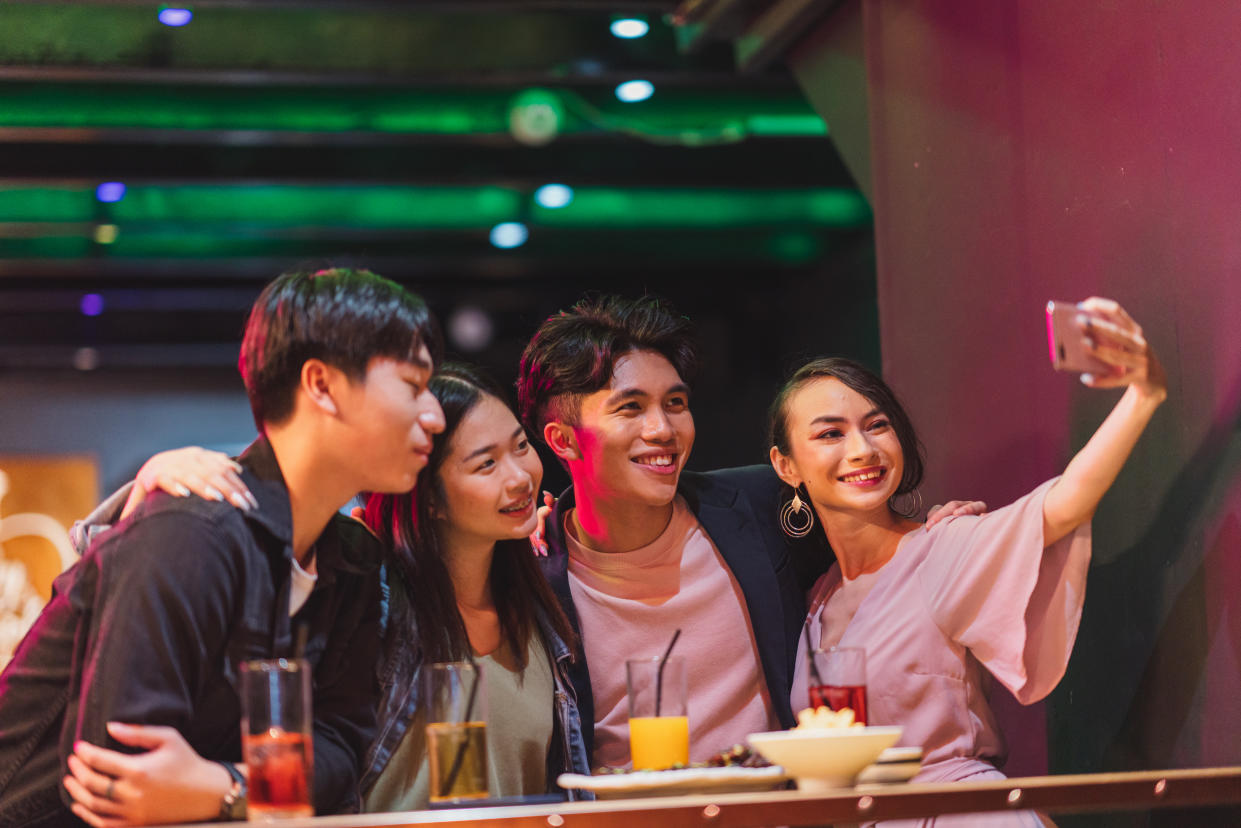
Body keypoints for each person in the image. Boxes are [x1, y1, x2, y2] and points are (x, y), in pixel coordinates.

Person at [0, 268, 446, 827]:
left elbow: (338, 755)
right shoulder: (192, 535)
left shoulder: (355, 558)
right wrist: (244, 787)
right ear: (322, 385)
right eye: (413, 386)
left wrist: (225, 786)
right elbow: (119, 779)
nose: (434, 415)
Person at [61, 366, 591, 816]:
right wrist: (158, 481)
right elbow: (106, 555)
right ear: (426, 495)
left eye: (520, 445)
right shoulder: (375, 592)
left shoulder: (541, 608)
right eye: (487, 463)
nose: (521, 475)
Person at [516, 295, 981, 769]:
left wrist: (934, 530)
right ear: (563, 440)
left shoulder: (762, 506)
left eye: (675, 403)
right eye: (630, 408)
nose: (662, 429)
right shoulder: (531, 573)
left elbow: (874, 540)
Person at [771, 298, 1165, 825]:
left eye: (877, 424)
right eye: (830, 433)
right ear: (786, 465)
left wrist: (1144, 394)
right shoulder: (818, 596)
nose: (863, 448)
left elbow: (1066, 502)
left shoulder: (943, 547)